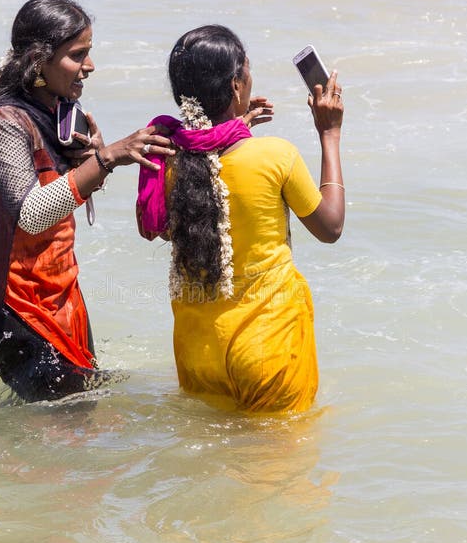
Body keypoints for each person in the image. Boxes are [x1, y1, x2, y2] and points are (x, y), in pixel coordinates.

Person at [0, 0, 174, 402]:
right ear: (39, 61)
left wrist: (89, 159)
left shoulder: (53, 109)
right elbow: (31, 214)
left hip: (60, 293)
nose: (89, 67)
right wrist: (106, 159)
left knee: (76, 416)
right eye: (78, 55)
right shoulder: (4, 122)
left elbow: (60, 192)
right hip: (17, 304)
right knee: (62, 425)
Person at [136, 24, 345, 413]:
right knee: (279, 471)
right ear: (236, 86)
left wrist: (238, 126)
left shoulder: (168, 161)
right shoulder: (275, 156)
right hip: (268, 349)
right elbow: (330, 226)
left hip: (197, 354)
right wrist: (329, 133)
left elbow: (184, 215)